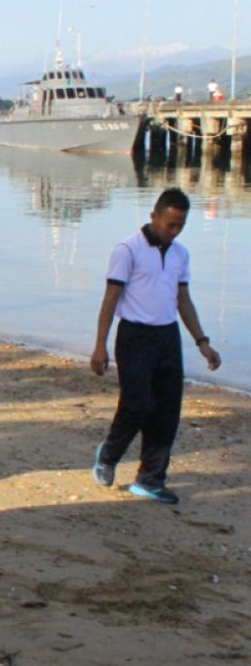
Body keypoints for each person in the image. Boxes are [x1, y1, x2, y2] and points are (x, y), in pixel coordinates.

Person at [89, 188, 221, 504]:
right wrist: (100, 345)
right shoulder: (128, 249)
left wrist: (202, 342)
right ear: (154, 216)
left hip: (167, 337)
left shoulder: (180, 254)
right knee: (137, 404)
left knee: (166, 412)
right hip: (134, 336)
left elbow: (183, 300)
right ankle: (108, 455)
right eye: (169, 224)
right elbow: (111, 299)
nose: (173, 231)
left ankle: (150, 480)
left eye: (180, 225)